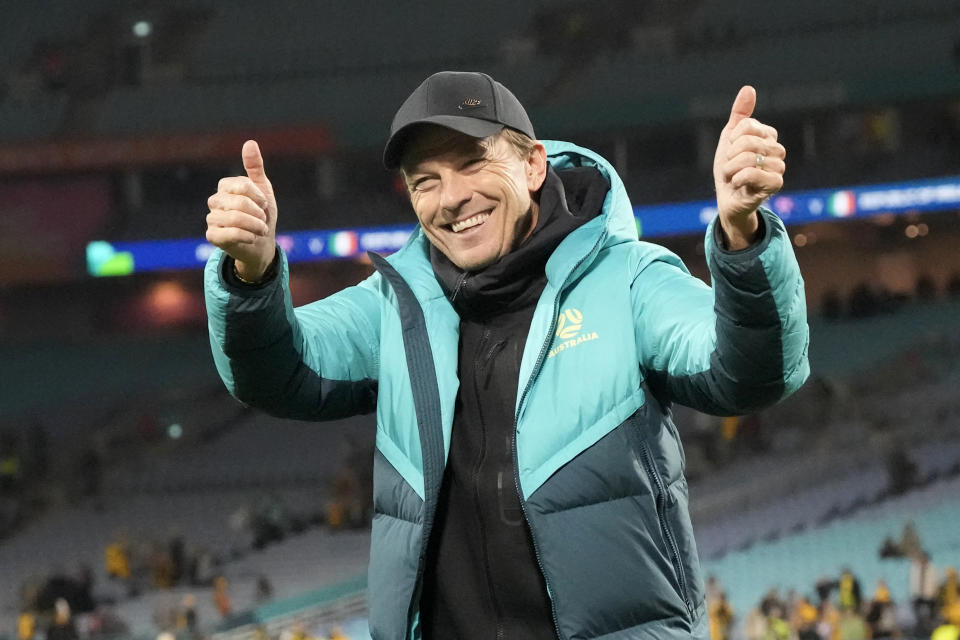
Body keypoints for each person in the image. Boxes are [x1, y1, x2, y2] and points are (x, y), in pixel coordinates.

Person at [204, 71, 809, 639]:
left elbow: (748, 375)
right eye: (425, 181)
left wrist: (741, 236)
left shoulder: (629, 279)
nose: (452, 198)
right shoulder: (393, 305)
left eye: (472, 163)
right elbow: (278, 374)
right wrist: (250, 276)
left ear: (533, 163)